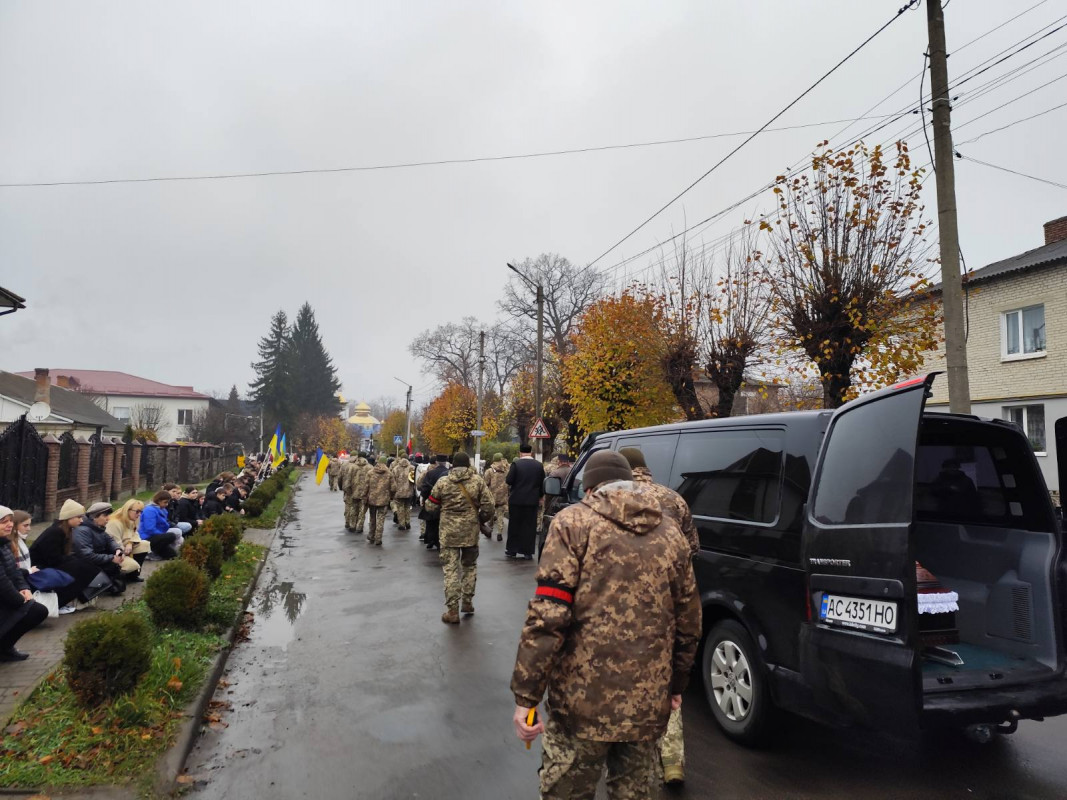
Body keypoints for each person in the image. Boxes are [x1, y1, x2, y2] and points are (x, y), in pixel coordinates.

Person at [510, 451, 702, 799]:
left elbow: (548, 616)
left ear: (590, 488)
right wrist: (676, 684)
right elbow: (689, 620)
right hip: (647, 708)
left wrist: (527, 697)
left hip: (579, 707)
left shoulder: (572, 524)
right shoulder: (671, 534)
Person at [618, 447, 699, 786]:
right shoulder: (674, 499)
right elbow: (692, 548)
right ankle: (672, 761)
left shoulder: (614, 498)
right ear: (646, 468)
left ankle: (625, 756)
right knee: (667, 680)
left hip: (623, 604)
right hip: (668, 603)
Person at [425, 452, 494, 624]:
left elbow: (430, 506)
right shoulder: (477, 481)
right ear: (469, 464)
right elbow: (489, 506)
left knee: (451, 570)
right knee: (469, 567)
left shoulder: (443, 482)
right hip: (470, 532)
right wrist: (481, 520)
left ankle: (452, 611)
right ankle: (468, 603)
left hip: (448, 533)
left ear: (452, 465)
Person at [29, 499, 102, 613]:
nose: (81, 520)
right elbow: (52, 558)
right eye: (78, 517)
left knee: (87, 567)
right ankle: (59, 602)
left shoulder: (65, 530)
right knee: (83, 570)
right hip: (39, 567)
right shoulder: (55, 532)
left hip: (51, 563)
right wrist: (73, 561)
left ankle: (79, 598)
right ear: (69, 517)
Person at [0, 507, 49, 662]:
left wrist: (24, 588)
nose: (9, 525)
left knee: (37, 611)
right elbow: (1, 581)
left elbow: (14, 572)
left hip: (8, 595)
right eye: (3, 522)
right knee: (33, 611)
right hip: (4, 597)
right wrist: (20, 600)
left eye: (10, 521)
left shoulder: (5, 543)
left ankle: (5, 647)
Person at [73, 503, 127, 595]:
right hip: (85, 565)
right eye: (105, 515)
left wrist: (117, 549)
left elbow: (109, 540)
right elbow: (86, 555)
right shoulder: (83, 531)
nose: (108, 518)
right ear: (94, 517)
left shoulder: (96, 527)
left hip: (96, 560)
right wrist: (111, 558)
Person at [506, 444, 545, 560]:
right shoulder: (538, 466)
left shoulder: (516, 464)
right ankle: (527, 551)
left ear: (520, 453)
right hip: (532, 501)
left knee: (514, 525)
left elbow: (509, 480)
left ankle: (512, 550)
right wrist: (540, 496)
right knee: (529, 526)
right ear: (531, 453)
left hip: (516, 500)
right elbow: (542, 482)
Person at [105, 499, 151, 580]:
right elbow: (114, 544)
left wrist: (130, 543)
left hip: (126, 547)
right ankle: (114, 578)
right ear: (127, 510)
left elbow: (135, 535)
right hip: (115, 552)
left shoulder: (132, 519)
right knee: (131, 565)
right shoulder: (114, 523)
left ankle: (134, 575)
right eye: (137, 511)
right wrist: (124, 552)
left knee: (144, 545)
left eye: (141, 512)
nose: (139, 514)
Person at [138, 491, 183, 560]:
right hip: (147, 538)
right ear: (159, 501)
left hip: (157, 535)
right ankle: (150, 552)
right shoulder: (150, 510)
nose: (167, 504)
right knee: (171, 536)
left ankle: (157, 552)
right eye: (165, 502)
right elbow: (149, 529)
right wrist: (163, 535)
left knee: (173, 555)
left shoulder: (162, 509)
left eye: (167, 502)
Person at [419, 455, 450, 550]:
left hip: (432, 500)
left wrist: (424, 499)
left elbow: (424, 488)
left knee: (431, 522)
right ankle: (441, 540)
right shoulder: (449, 473)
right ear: (446, 462)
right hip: (446, 501)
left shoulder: (430, 473)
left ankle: (432, 540)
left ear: (436, 462)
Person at [364, 457, 396, 546]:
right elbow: (394, 488)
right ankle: (378, 538)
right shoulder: (389, 474)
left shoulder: (370, 472)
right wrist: (391, 496)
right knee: (381, 519)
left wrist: (364, 497)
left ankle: (371, 535)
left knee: (372, 518)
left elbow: (366, 486)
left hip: (372, 499)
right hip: (384, 500)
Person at [484, 453, 510, 543]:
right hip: (503, 496)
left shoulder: (490, 471)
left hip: (492, 496)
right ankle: (499, 532)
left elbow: (485, 484)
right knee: (500, 515)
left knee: (491, 514)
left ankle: (490, 529)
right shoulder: (506, 470)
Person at [391, 457, 414, 530]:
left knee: (400, 507)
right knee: (407, 507)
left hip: (399, 492)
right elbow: (413, 480)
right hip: (409, 491)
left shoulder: (395, 469)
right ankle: (408, 522)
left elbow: (393, 481)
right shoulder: (412, 468)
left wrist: (393, 491)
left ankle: (401, 524)